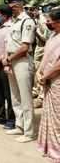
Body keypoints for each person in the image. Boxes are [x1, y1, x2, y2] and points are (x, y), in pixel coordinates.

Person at [3, 0, 37, 143]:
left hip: (22, 61)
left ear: (20, 5)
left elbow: (24, 46)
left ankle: (29, 132)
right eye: (10, 6)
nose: (12, 8)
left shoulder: (27, 21)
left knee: (25, 97)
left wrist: (10, 58)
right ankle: (20, 125)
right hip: (11, 60)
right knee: (15, 96)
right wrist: (6, 58)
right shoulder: (12, 22)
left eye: (14, 6)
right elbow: (9, 42)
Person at [37, 8, 60, 161]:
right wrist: (40, 71)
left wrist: (45, 75)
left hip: (57, 81)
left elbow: (59, 64)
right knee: (50, 114)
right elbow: (46, 56)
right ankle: (50, 147)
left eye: (50, 21)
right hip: (48, 80)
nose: (47, 23)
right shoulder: (53, 35)